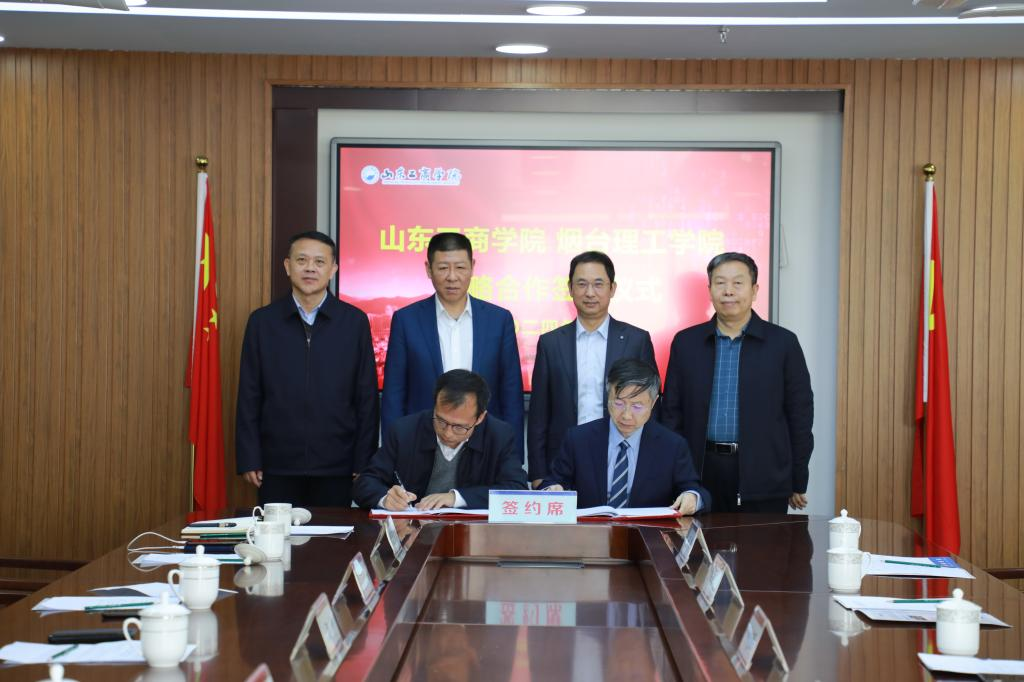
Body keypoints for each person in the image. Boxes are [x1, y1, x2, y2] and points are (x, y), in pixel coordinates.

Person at [661, 252, 814, 514]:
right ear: (709, 290)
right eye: (720, 283)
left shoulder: (783, 343)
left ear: (754, 290)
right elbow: (671, 414)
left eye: (738, 283)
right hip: (699, 475)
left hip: (764, 476)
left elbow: (800, 415)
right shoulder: (686, 343)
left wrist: (798, 478)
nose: (728, 291)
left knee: (761, 542)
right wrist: (675, 474)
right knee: (699, 541)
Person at [235, 231, 379, 507]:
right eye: (302, 260)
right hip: (277, 464)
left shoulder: (353, 322)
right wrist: (249, 457)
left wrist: (364, 461)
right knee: (277, 534)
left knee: (334, 533)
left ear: (333, 269)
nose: (310, 268)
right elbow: (249, 395)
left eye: (319, 262)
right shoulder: (263, 322)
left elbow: (367, 398)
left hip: (338, 465)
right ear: (287, 266)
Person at [380, 232, 524, 457]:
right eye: (443, 268)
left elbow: (511, 394)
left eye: (460, 267)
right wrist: (392, 454)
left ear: (472, 267)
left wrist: (513, 456)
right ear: (429, 269)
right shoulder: (406, 320)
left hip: (484, 445)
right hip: (421, 444)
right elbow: (394, 394)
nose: (452, 277)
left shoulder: (499, 320)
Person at [528, 251, 656, 488]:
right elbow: (538, 415)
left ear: (612, 288)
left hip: (621, 458)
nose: (589, 293)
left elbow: (649, 408)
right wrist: (538, 474)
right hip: (562, 462)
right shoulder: (550, 343)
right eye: (581, 284)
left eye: (598, 284)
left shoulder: (636, 340)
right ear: (570, 288)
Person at [540, 359, 708, 513]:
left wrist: (692, 497)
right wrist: (553, 490)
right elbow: (551, 482)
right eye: (619, 403)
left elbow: (695, 490)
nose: (626, 415)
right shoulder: (578, 439)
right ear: (608, 397)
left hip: (646, 533)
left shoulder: (672, 446)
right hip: (591, 532)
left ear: (653, 402)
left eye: (637, 406)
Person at [354, 369, 527, 510]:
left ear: (480, 418)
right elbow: (365, 483)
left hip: (474, 534)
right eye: (441, 421)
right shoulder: (405, 431)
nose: (448, 433)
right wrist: (386, 499)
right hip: (413, 531)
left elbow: (517, 489)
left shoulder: (499, 435)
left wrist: (456, 498)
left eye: (459, 427)